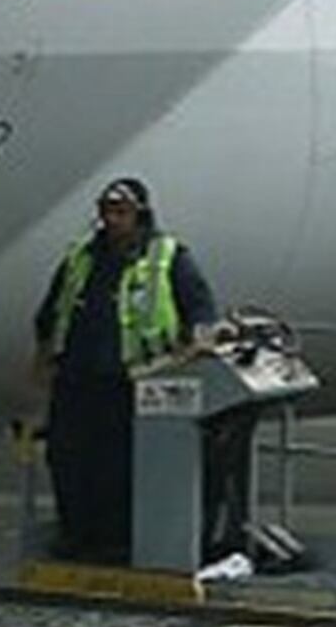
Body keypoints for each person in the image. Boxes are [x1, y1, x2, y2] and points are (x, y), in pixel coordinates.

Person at [30, 176, 218, 564]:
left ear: (140, 215)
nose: (111, 220)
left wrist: (199, 342)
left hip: (133, 380)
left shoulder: (167, 256)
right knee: (67, 458)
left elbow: (199, 307)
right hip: (78, 378)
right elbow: (53, 309)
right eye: (106, 211)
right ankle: (76, 535)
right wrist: (43, 356)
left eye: (121, 212)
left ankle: (118, 540)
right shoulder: (81, 257)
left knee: (120, 465)